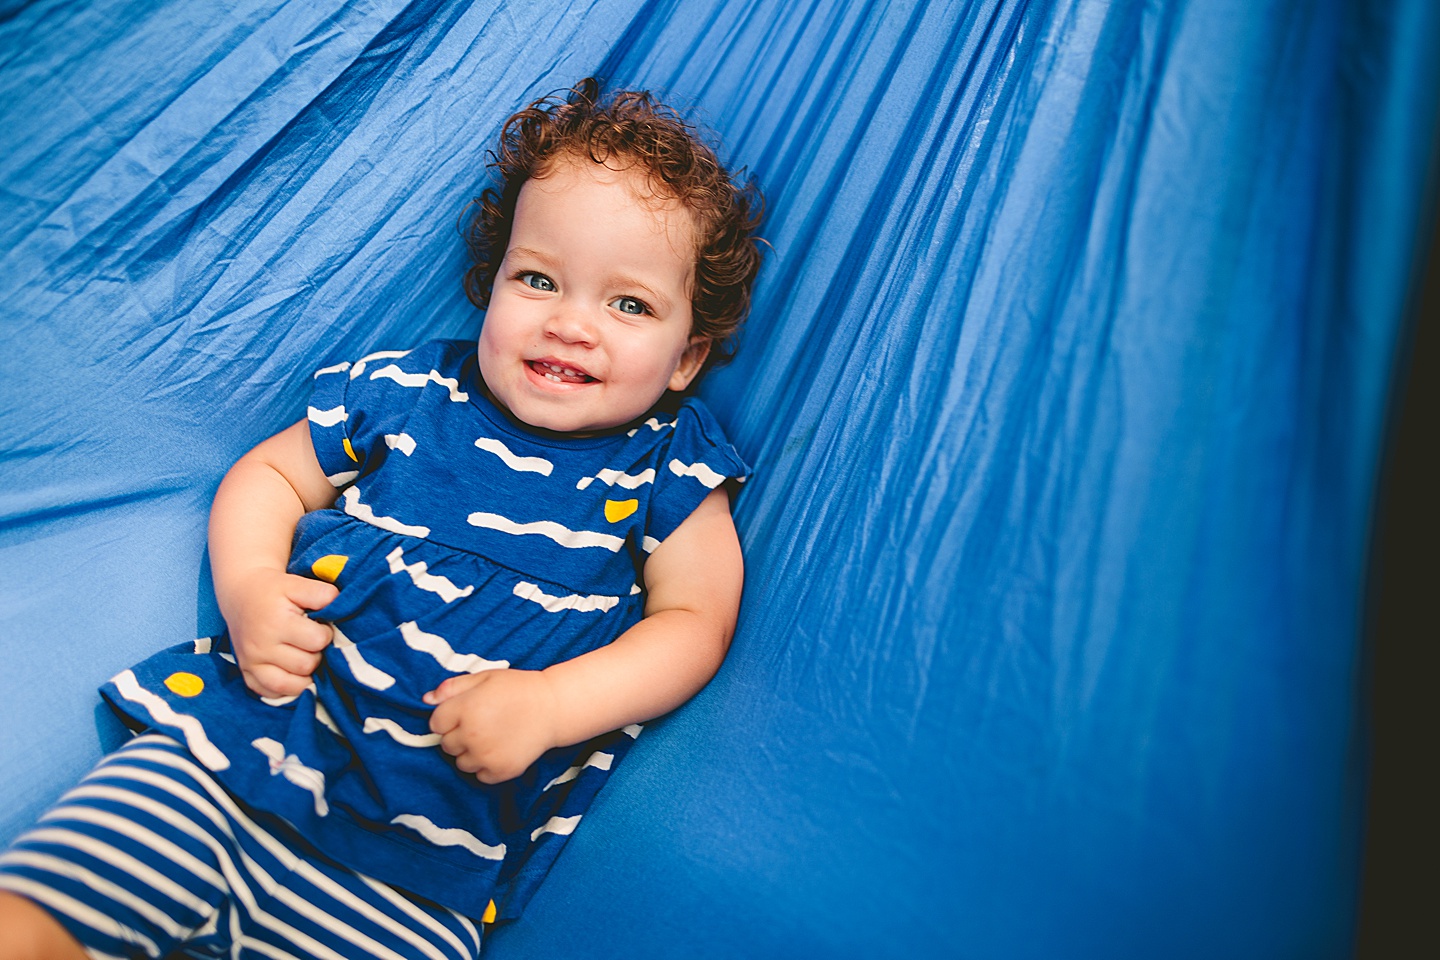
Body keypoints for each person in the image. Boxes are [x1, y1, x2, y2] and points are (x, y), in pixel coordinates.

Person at [0, 77, 764, 959]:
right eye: (538, 279)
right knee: (43, 916)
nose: (570, 324)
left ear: (687, 355)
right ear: (494, 283)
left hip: (415, 870)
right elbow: (271, 477)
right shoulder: (410, 391)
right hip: (235, 759)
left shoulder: (670, 464)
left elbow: (694, 623)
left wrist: (556, 704)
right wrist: (250, 590)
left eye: (628, 304)